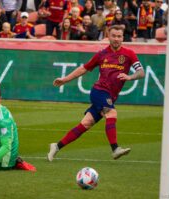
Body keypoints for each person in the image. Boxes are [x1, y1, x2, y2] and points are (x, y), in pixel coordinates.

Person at [47, 25, 145, 162]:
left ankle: (56, 146)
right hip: (99, 91)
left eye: (119, 36)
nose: (116, 39)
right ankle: (115, 149)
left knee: (85, 124)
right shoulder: (101, 54)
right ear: (108, 36)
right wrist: (65, 79)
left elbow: (141, 73)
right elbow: (83, 69)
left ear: (123, 37)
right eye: (114, 36)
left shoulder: (129, 53)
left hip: (111, 96)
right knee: (111, 113)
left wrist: (130, 77)